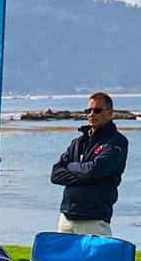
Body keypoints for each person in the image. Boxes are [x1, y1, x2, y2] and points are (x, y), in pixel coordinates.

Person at [49, 91, 129, 236]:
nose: (92, 114)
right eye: (88, 111)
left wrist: (71, 166)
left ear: (110, 113)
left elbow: (94, 170)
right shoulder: (78, 142)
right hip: (67, 216)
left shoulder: (117, 142)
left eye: (97, 110)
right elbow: (55, 174)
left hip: (94, 219)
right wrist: (85, 176)